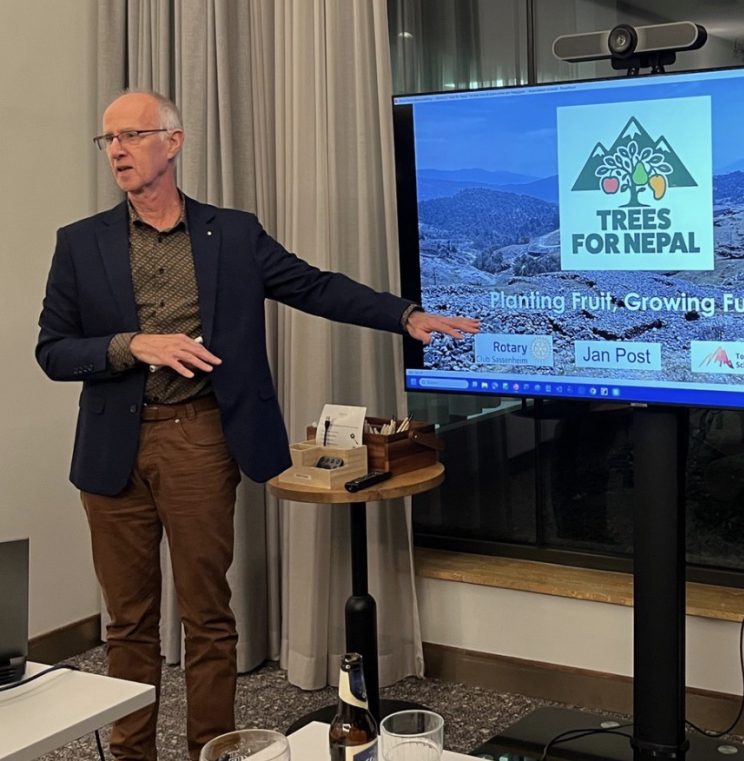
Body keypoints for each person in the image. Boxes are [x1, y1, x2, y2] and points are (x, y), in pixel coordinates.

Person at [35, 90, 479, 761]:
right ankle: (132, 754)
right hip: (111, 448)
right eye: (109, 140)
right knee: (127, 622)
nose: (117, 151)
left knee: (207, 616)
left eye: (131, 135)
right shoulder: (80, 243)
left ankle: (210, 749)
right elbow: (53, 350)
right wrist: (132, 345)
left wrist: (404, 315)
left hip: (198, 437)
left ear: (173, 142)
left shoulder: (233, 235)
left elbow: (315, 286)